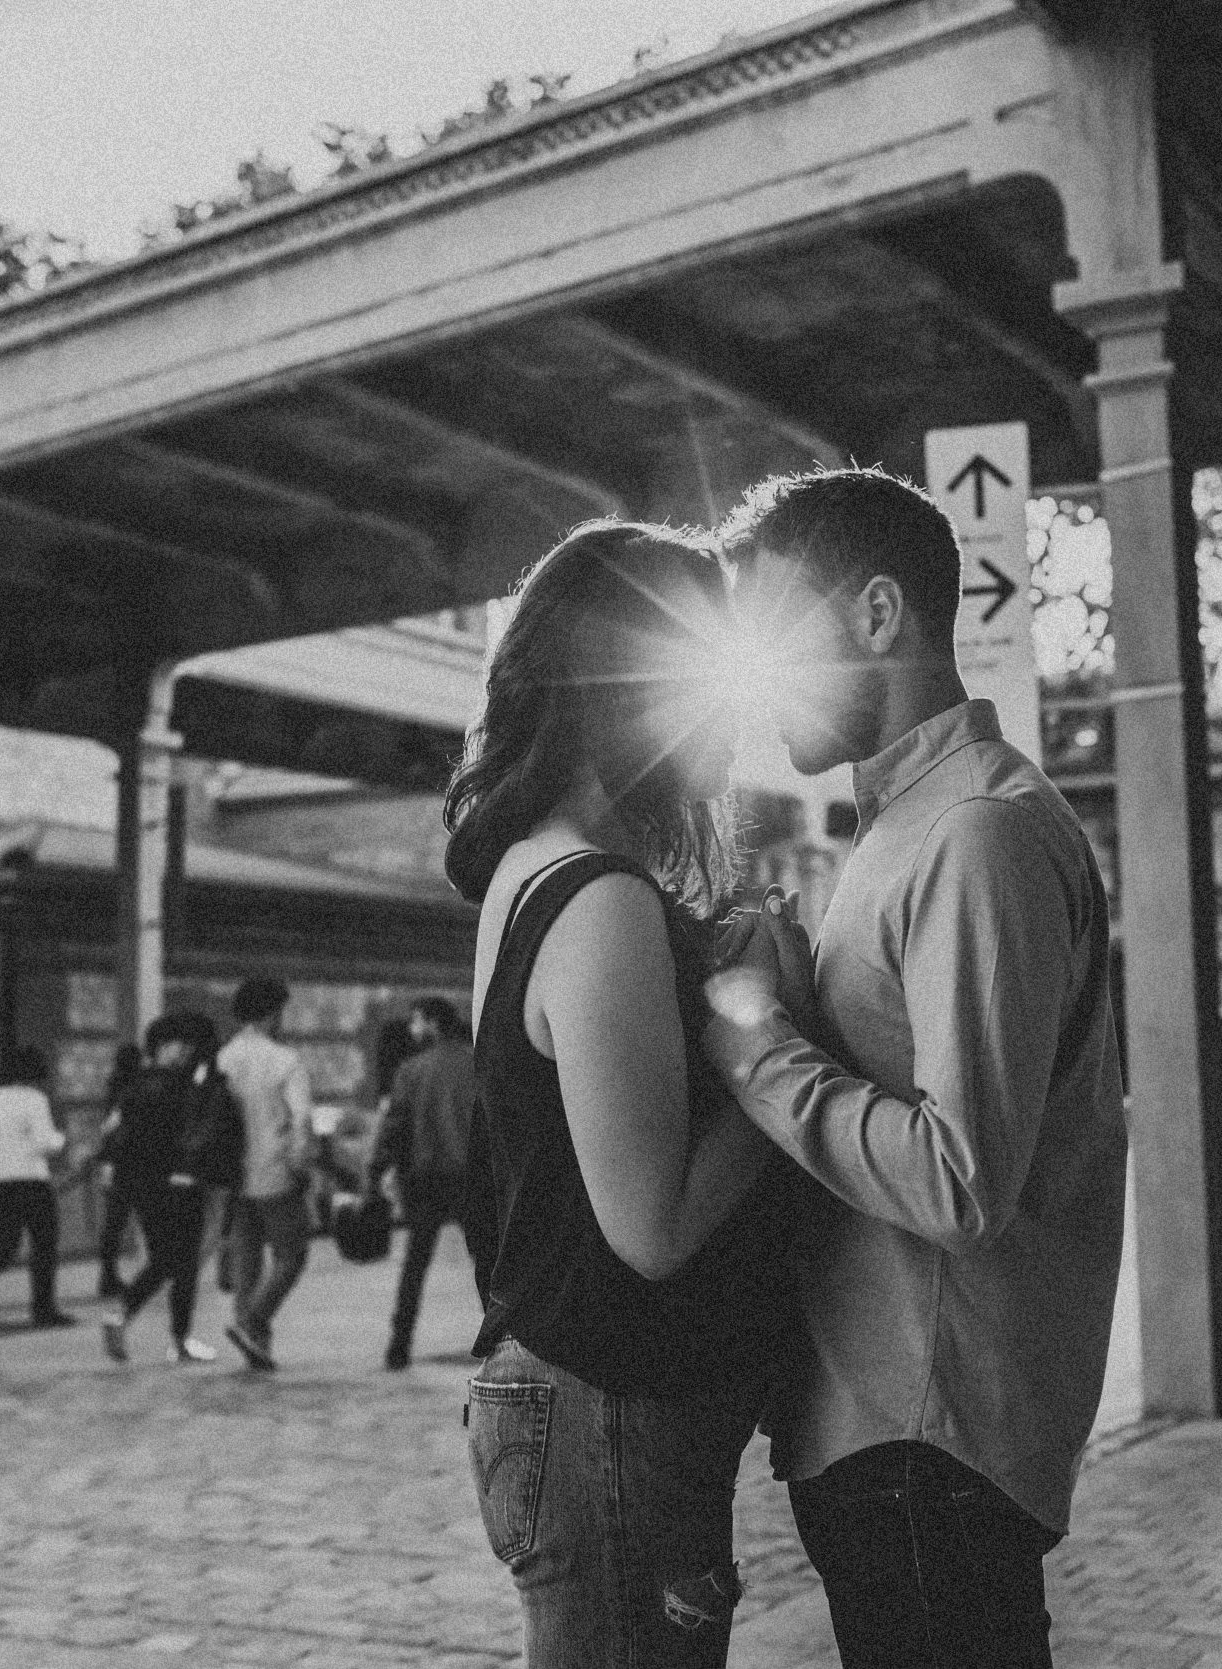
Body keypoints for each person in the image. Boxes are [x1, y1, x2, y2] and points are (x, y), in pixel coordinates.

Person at [702, 469, 1126, 1669]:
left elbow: (960, 1179)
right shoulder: (902, 827)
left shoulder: (973, 833)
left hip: (926, 1441)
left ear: (878, 615)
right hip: (887, 1429)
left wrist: (754, 1042)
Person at [451, 520, 801, 1667]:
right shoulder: (597, 897)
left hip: (572, 1402)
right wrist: (778, 1035)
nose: (740, 722)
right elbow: (650, 1227)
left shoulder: (528, 868)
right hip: (606, 1414)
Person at [100, 1012, 241, 1364]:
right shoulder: (191, 1085)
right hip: (180, 1180)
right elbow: (204, 1132)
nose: (182, 1052)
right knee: (183, 1263)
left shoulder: (135, 1083)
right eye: (179, 1045)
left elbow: (116, 1133)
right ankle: (177, 1340)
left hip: (139, 1185)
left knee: (166, 1259)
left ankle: (125, 1316)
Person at [372, 995, 482, 1370]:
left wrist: (376, 1171)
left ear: (433, 1023)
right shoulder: (477, 1062)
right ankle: (503, 1340)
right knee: (486, 1259)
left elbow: (394, 1127)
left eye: (417, 1022)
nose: (413, 1030)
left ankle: (398, 1346)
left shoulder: (411, 1070)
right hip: (473, 1178)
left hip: (426, 1179)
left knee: (415, 1265)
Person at [219, 976, 316, 1371]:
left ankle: (256, 1345)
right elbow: (302, 1120)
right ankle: (253, 1322)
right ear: (271, 1013)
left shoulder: (222, 1059)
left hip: (234, 1176)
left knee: (247, 1261)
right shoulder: (285, 1061)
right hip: (275, 1172)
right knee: (292, 1256)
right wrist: (302, 1166)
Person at [0, 1044, 74, 1329]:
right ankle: (44, 1308)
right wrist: (62, 1141)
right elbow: (44, 1142)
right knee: (44, 1245)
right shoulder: (34, 1098)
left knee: (3, 1245)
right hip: (30, 1179)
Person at [94, 1042, 142, 1297]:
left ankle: (107, 1275)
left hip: (114, 1162)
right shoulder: (135, 1090)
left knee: (114, 1223)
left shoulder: (113, 1089)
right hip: (133, 1162)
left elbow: (108, 1128)